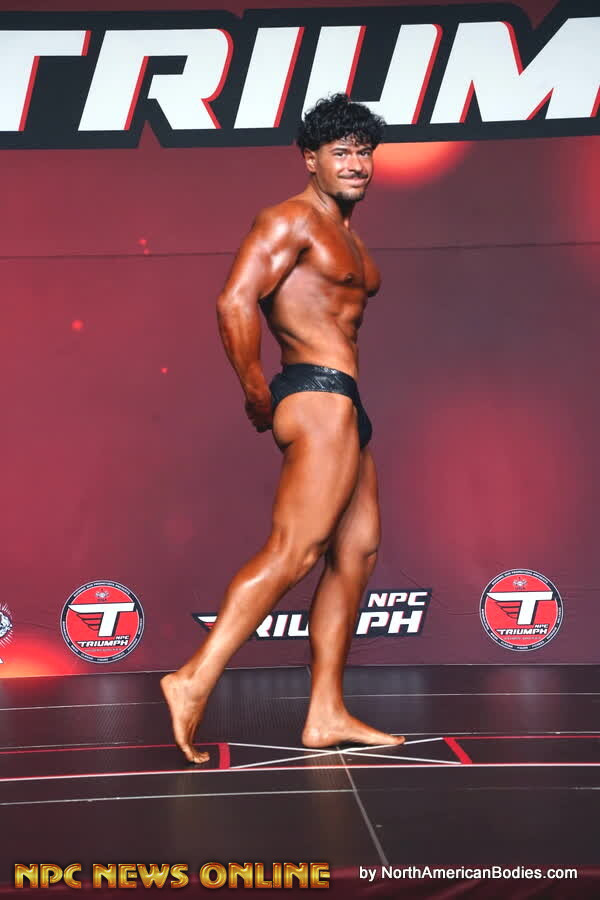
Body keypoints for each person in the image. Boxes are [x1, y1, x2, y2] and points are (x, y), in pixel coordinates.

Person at [162, 93, 404, 764]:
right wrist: (255, 391)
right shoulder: (289, 219)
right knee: (294, 552)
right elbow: (234, 300)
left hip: (346, 402)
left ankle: (325, 712)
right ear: (310, 159)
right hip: (315, 393)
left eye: (364, 152)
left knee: (356, 555)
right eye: (341, 152)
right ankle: (193, 679)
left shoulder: (347, 234)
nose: (356, 163)